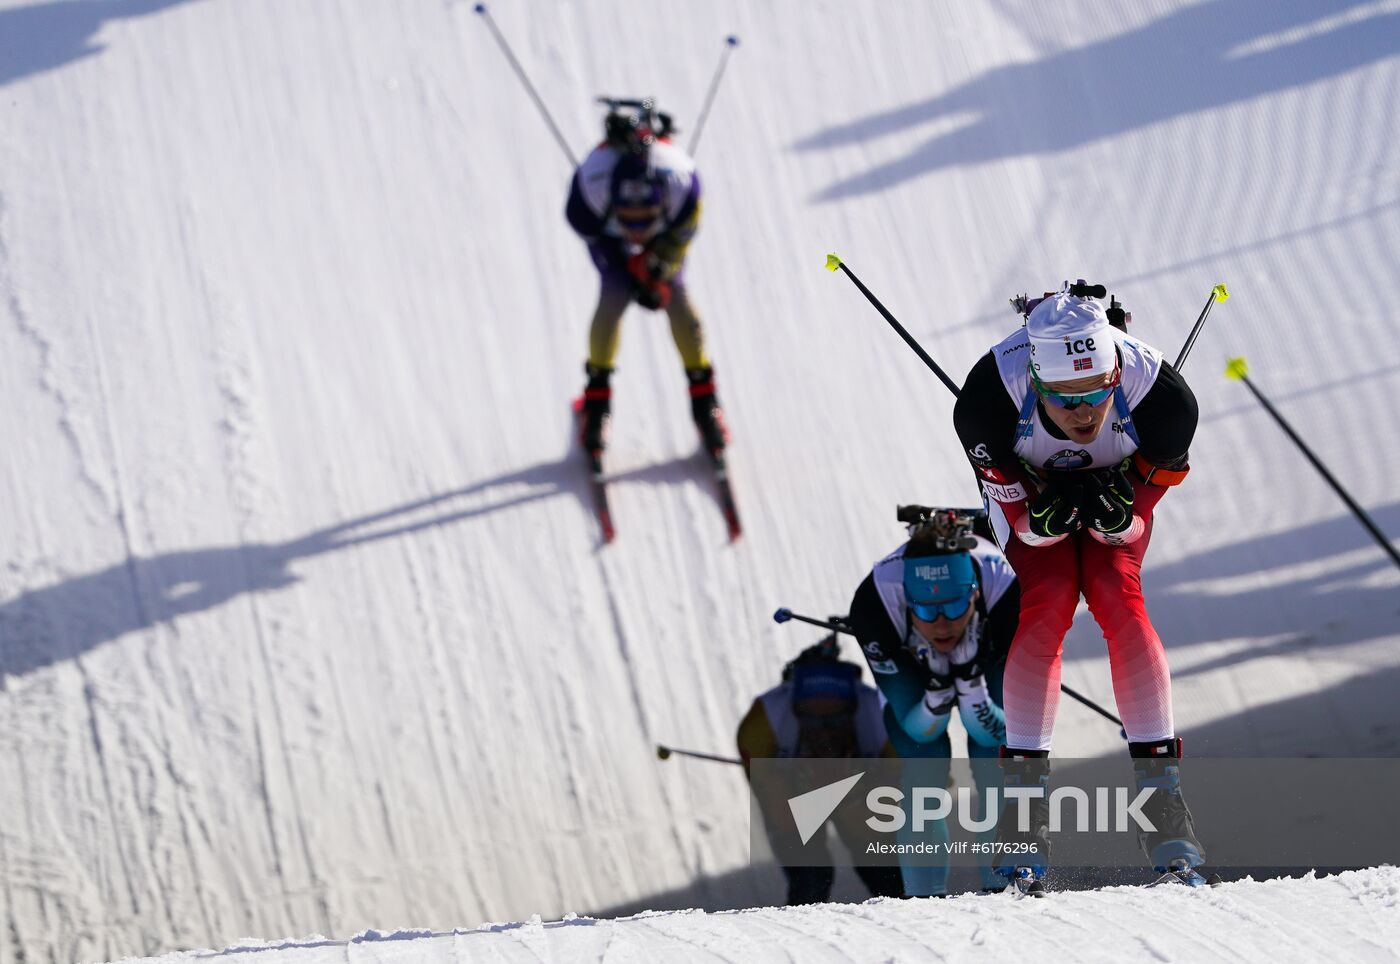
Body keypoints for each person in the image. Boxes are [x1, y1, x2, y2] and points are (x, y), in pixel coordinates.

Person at [952, 281, 1205, 882]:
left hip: (1122, 476)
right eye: (1065, 399)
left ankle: (1163, 804)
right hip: (1029, 485)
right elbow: (1014, 517)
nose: (1084, 412)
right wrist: (1036, 519)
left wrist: (1129, 512)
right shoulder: (986, 400)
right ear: (1035, 381)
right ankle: (1022, 811)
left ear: (1117, 370)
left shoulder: (1167, 399)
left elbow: (1149, 497)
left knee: (1117, 591)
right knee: (1049, 598)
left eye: (1097, 392)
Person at [845, 508, 1021, 896]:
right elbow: (919, 730)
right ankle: (924, 895)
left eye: (954, 607)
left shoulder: (1007, 589)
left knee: (998, 757)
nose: (942, 624)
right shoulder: (873, 604)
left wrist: (972, 687)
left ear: (974, 593)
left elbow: (1003, 732)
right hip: (911, 660)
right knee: (924, 762)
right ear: (907, 601)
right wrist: (940, 693)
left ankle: (1006, 881)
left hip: (991, 641)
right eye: (926, 610)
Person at [566, 99, 727, 456]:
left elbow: (680, 239)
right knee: (615, 290)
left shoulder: (683, 187)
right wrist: (629, 267)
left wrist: (659, 268)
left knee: (674, 291)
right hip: (612, 235)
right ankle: (598, 401)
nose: (637, 231)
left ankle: (705, 400)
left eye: (645, 219)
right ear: (613, 205)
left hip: (661, 232)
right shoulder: (589, 195)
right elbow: (601, 244)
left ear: (661, 203)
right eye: (629, 219)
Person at [737, 637, 904, 905]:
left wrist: (852, 795)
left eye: (836, 720)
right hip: (793, 790)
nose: (825, 732)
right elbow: (781, 818)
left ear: (853, 709)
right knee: (810, 873)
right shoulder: (762, 725)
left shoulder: (881, 720)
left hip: (855, 787)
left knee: (881, 864)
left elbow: (913, 796)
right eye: (813, 720)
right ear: (795, 712)